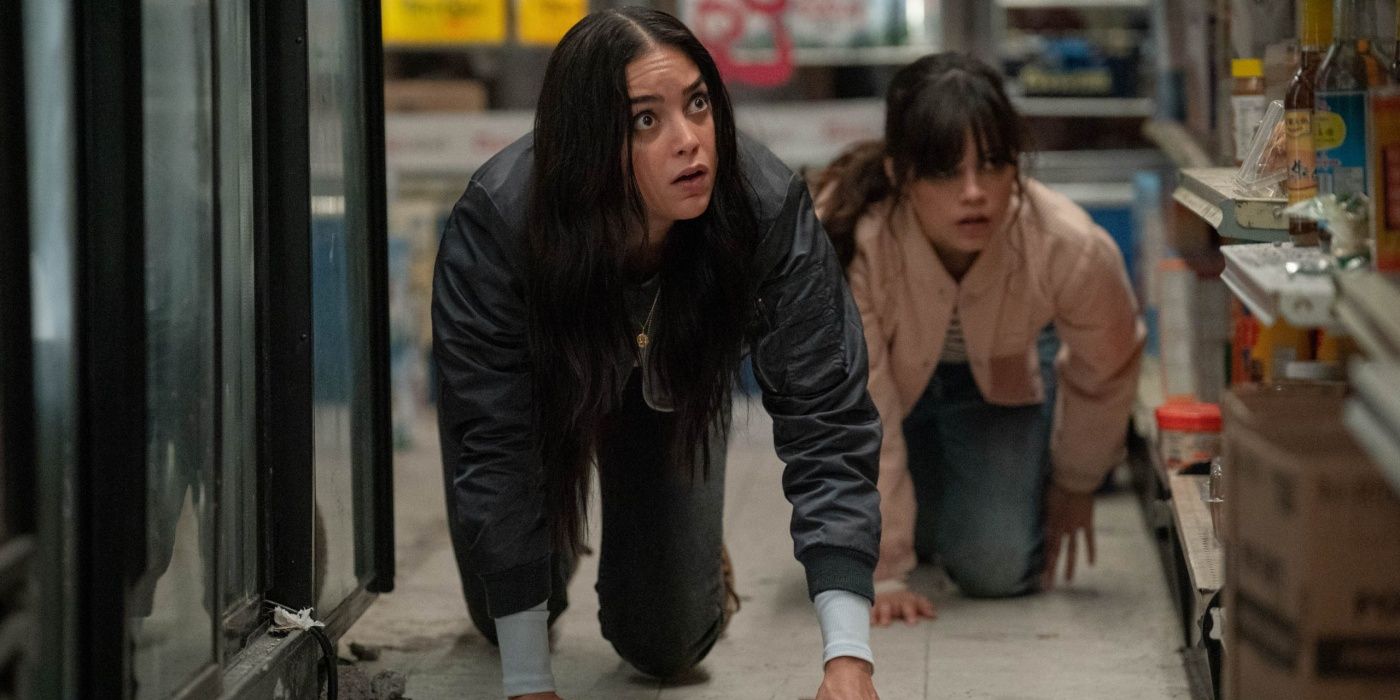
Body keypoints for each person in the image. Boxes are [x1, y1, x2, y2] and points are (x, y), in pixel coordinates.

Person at [432, 8, 882, 699]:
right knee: (511, 613)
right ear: (589, 141)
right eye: (647, 119)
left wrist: (847, 657)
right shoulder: (499, 221)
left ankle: (692, 556)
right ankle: (552, 543)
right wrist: (528, 683)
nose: (689, 142)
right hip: (538, 406)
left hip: (667, 395)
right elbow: (494, 439)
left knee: (668, 644)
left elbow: (828, 414)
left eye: (698, 104)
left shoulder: (762, 204)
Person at [816, 53, 1145, 627]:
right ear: (899, 174)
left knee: (996, 569)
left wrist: (1076, 481)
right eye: (946, 170)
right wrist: (884, 567)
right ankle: (924, 505)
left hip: (1000, 376)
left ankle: (955, 494)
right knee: (904, 529)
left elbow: (1108, 365)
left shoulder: (1066, 244)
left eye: (993, 165)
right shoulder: (853, 238)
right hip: (890, 386)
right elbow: (861, 405)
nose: (975, 192)